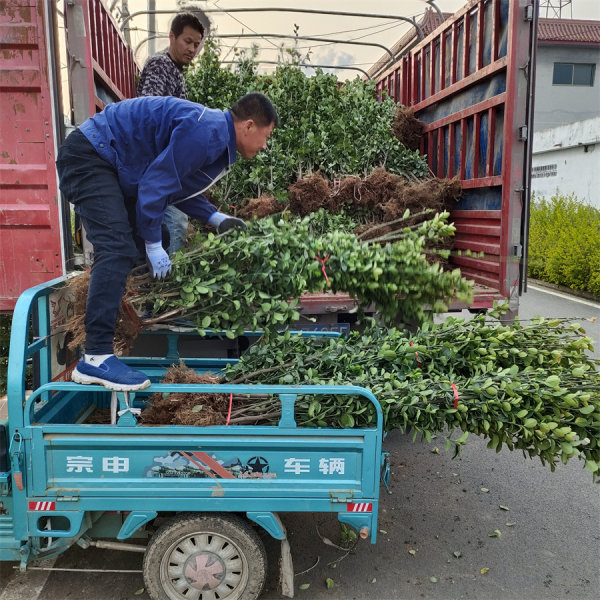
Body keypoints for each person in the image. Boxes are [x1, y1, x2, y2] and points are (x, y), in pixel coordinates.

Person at [56, 93, 278, 391]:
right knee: (118, 248)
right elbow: (154, 184)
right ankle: (95, 356)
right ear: (250, 125)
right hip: (93, 155)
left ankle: (127, 313)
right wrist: (151, 245)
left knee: (157, 236)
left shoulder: (214, 132)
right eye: (266, 136)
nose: (265, 146)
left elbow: (176, 184)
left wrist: (213, 217)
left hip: (110, 159)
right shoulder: (206, 132)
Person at [137, 12, 206, 255]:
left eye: (197, 44)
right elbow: (150, 110)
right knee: (176, 223)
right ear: (172, 37)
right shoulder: (161, 64)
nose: (192, 49)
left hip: (165, 166)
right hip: (156, 165)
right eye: (187, 41)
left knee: (177, 223)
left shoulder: (176, 71)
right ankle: (167, 285)